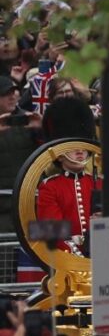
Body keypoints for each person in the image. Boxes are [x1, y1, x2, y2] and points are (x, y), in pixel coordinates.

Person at [35, 96, 99, 255]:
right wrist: (79, 256)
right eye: (72, 147)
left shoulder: (99, 183)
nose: (80, 150)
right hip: (65, 261)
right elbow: (52, 235)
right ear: (59, 155)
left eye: (83, 145)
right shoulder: (49, 187)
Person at [0, 75, 40, 233]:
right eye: (5, 94)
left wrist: (43, 127)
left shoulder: (29, 120)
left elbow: (51, 155)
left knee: (43, 244)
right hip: (3, 207)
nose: (12, 97)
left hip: (32, 201)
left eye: (13, 92)